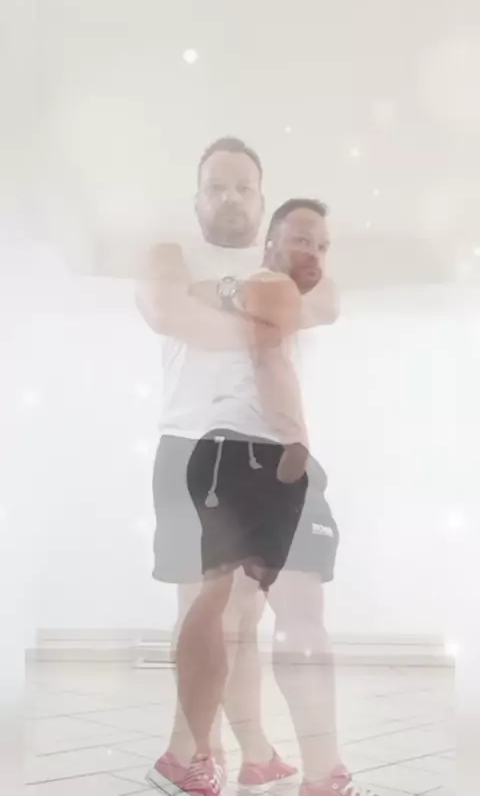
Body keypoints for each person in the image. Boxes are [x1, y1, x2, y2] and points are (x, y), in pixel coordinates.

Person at [137, 139, 366, 795]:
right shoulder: (171, 254)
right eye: (217, 187)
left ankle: (286, 760)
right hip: (195, 447)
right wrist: (264, 309)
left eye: (244, 187)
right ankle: (192, 754)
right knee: (213, 616)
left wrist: (220, 299)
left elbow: (326, 303)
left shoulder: (292, 255)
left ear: (263, 200)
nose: (230, 198)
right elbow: (166, 313)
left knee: (286, 611)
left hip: (281, 451)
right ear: (197, 198)